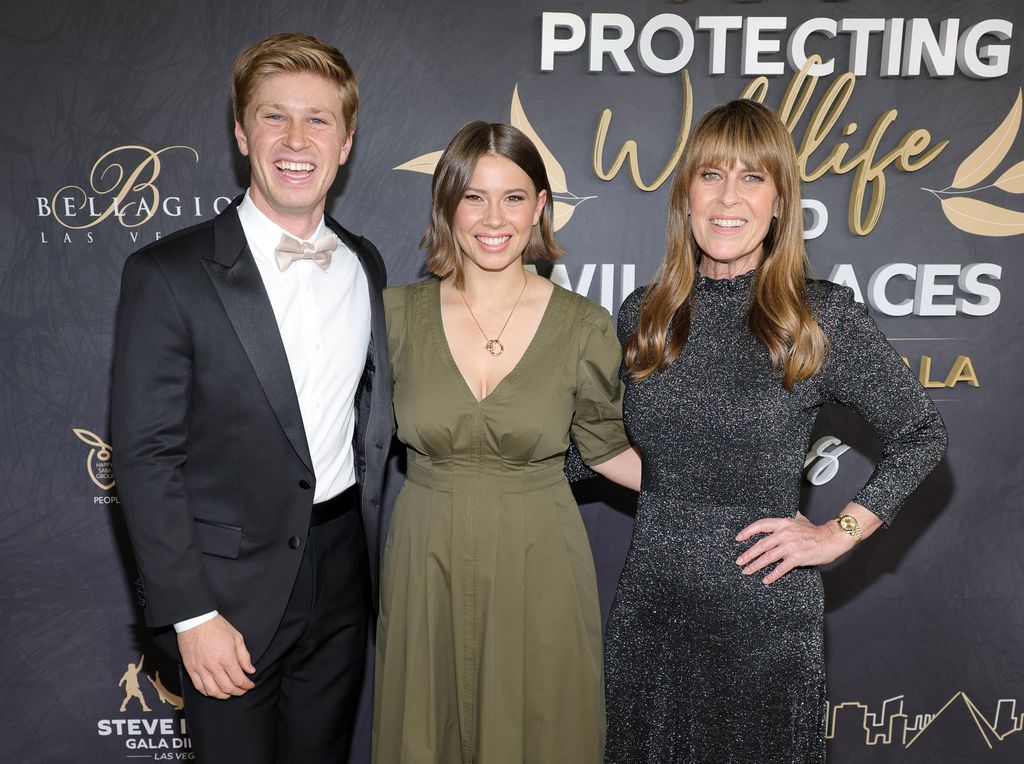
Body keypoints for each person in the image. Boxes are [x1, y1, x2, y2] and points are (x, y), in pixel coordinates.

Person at [603, 99, 948, 763]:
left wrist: (836, 534)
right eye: (710, 176)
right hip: (650, 616)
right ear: (685, 194)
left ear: (780, 200)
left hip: (763, 626)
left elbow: (920, 435)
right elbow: (610, 453)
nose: (728, 198)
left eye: (752, 178)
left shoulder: (817, 318)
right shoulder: (643, 317)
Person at [110, 32, 393, 763]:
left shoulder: (364, 263)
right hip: (225, 594)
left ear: (347, 140)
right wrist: (190, 613)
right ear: (241, 132)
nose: (296, 140)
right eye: (274, 117)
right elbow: (144, 458)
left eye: (319, 120)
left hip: (341, 579)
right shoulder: (167, 273)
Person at [372, 121, 642, 764]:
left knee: (542, 731)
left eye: (514, 197)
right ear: (446, 205)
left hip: (538, 559)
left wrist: (725, 498)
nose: (494, 218)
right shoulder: (392, 316)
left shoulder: (583, 325)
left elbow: (606, 448)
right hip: (424, 557)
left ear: (541, 208)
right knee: (423, 733)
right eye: (473, 196)